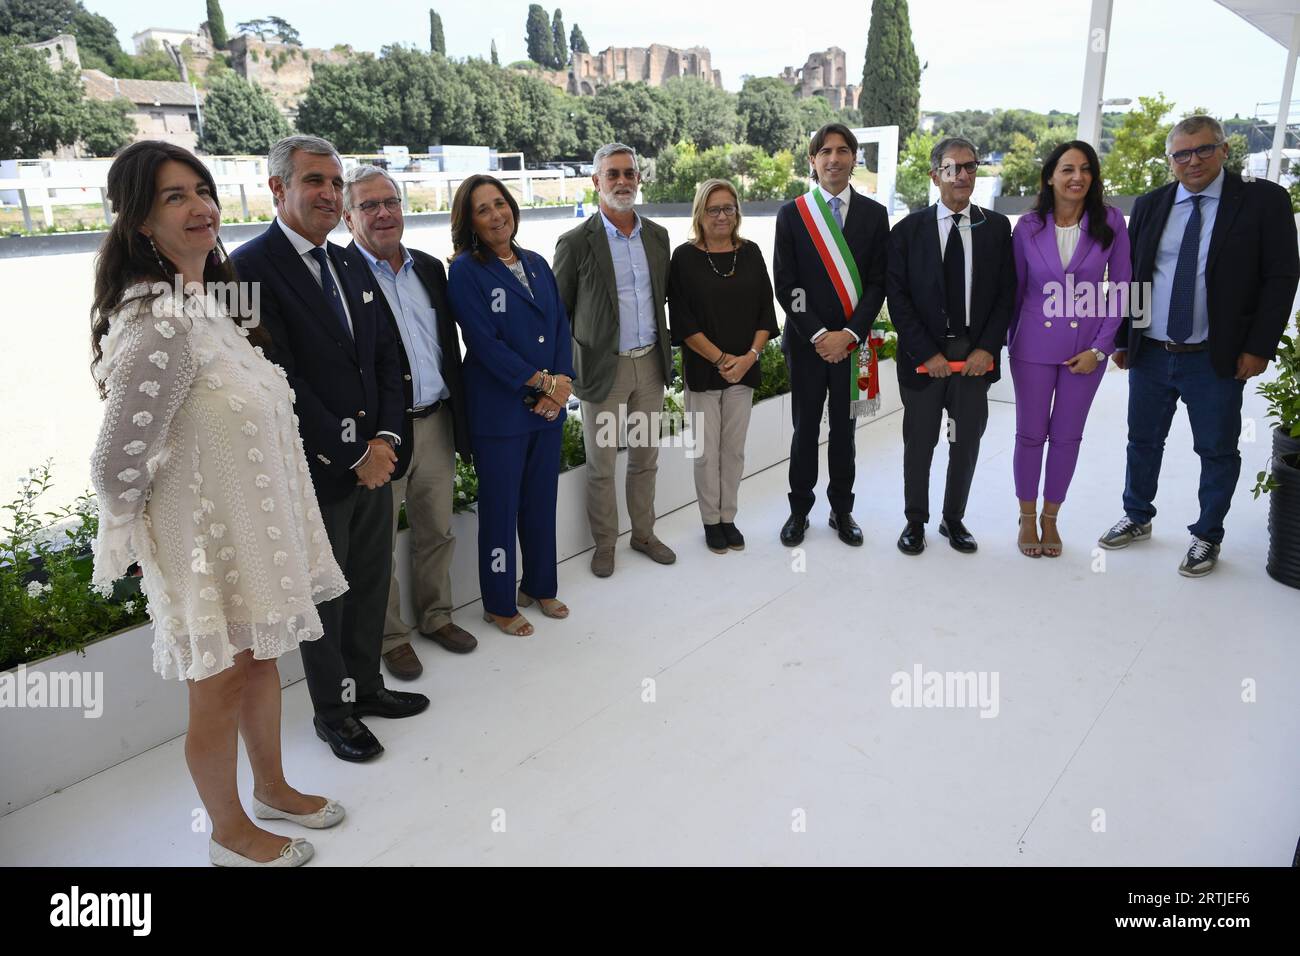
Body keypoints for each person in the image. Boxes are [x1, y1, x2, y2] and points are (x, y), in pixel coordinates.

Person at [90, 141, 344, 866]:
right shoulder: (156, 322)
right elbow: (114, 466)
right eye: (175, 197)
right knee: (220, 682)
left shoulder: (206, 305)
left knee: (262, 663)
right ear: (139, 219)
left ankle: (272, 788)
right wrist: (140, 543)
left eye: (202, 190)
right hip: (200, 546)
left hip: (245, 536)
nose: (200, 206)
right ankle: (229, 835)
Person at [231, 135, 428, 764]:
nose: (326, 193)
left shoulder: (348, 263)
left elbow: (385, 357)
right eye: (313, 180)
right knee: (328, 595)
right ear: (277, 188)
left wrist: (387, 440)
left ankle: (367, 687)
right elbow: (273, 379)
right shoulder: (241, 269)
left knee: (372, 578)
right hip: (313, 473)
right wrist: (351, 455)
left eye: (334, 182)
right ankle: (335, 712)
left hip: (376, 460)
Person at [1099, 115, 1300, 576]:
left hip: (1216, 356)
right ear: (1170, 160)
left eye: (1204, 149)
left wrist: (1259, 347)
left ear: (1225, 150)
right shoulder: (1151, 204)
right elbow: (1134, 275)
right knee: (1142, 441)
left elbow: (1281, 278)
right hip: (1151, 350)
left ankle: (1207, 535)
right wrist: (1122, 338)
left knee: (1217, 450)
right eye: (1182, 154)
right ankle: (1137, 515)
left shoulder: (1262, 201)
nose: (1193, 161)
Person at [340, 165, 476, 682]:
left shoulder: (428, 268)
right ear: (349, 218)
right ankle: (391, 636)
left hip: (437, 420)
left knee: (435, 528)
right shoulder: (342, 274)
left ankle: (437, 616)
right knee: (376, 544)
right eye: (368, 206)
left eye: (389, 202)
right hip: (382, 437)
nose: (382, 214)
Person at [446, 175, 575, 637]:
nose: (496, 214)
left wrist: (562, 385)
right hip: (500, 412)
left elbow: (560, 325)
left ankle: (539, 585)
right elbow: (483, 342)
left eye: (500, 204)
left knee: (541, 503)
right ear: (470, 221)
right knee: (500, 511)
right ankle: (499, 603)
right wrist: (541, 382)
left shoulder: (537, 262)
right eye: (483, 209)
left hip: (547, 410)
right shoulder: (465, 270)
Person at [887, 136, 1016, 555]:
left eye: (970, 167)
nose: (962, 175)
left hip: (973, 361)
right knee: (920, 444)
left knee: (965, 443)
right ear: (934, 174)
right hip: (924, 363)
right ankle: (915, 522)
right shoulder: (907, 231)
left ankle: (953, 519)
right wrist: (927, 353)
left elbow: (1005, 295)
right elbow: (898, 299)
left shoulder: (996, 228)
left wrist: (986, 349)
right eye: (952, 167)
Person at [553, 143, 676, 578]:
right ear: (596, 182)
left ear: (639, 178)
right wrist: (560, 374)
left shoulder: (657, 237)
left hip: (649, 369)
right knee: (602, 466)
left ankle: (643, 534)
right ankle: (605, 544)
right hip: (604, 372)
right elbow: (558, 315)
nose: (622, 181)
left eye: (629, 173)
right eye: (612, 175)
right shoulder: (575, 243)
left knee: (645, 458)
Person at [1010, 141, 1130, 557]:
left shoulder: (1111, 221)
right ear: (1050, 177)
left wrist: (1101, 348)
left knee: (1066, 438)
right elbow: (1018, 289)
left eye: (1085, 169)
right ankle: (1026, 519)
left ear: (1093, 177)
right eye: (1067, 169)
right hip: (1032, 346)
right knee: (1030, 435)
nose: (1076, 176)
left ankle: (1050, 519)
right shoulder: (1027, 226)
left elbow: (1121, 288)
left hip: (1087, 350)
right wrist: (1005, 343)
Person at [773, 123, 890, 548]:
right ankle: (799, 511)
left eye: (843, 150)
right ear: (813, 160)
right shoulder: (793, 214)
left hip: (854, 347)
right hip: (807, 347)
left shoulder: (875, 216)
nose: (834, 159)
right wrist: (821, 334)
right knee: (805, 430)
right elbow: (787, 286)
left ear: (854, 158)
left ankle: (842, 510)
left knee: (846, 432)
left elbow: (878, 283)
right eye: (825, 151)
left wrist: (849, 334)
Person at [667, 178, 780, 552]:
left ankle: (728, 516)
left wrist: (748, 357)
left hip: (744, 369)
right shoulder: (683, 258)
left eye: (728, 208)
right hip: (703, 370)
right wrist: (719, 359)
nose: (721, 216)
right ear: (700, 212)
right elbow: (682, 322)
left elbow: (767, 310)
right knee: (705, 451)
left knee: (733, 451)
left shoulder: (750, 252)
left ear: (737, 212)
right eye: (714, 209)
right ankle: (710, 521)